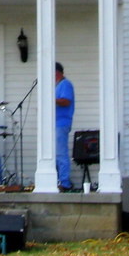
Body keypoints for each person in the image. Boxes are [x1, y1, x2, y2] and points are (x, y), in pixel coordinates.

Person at [55, 62, 75, 191]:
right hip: (55, 123)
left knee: (61, 153)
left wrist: (51, 99)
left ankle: (65, 182)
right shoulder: (57, 86)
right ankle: (58, 180)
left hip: (61, 123)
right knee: (55, 154)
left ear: (56, 72)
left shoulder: (65, 84)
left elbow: (66, 101)